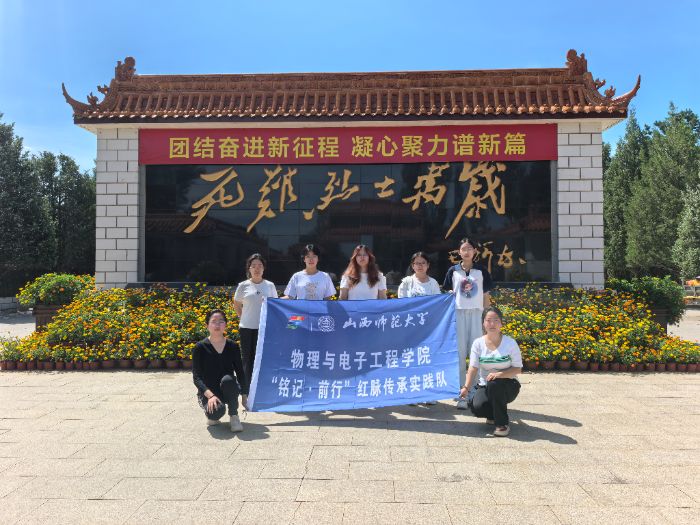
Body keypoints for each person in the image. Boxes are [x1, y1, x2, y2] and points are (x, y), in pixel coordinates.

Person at [443, 238, 493, 410]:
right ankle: (460, 392)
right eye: (463, 249)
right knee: (459, 353)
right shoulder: (453, 271)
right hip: (458, 314)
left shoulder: (481, 270)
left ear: (475, 252)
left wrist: (487, 318)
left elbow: (486, 295)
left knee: (475, 352)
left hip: (477, 314)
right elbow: (448, 293)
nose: (466, 252)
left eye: (470, 248)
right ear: (459, 252)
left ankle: (474, 391)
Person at [459, 307, 522, 437]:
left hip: (509, 384)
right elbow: (473, 367)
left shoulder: (510, 343)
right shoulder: (478, 343)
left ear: (501, 323)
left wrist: (500, 374)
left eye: (496, 320)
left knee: (495, 383)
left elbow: (517, 369)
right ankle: (493, 414)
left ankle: (502, 425)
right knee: (476, 407)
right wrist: (466, 387)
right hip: (485, 384)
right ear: (483, 323)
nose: (492, 324)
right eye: (488, 320)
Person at [192, 309, 248, 432]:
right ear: (207, 325)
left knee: (228, 380)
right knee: (215, 414)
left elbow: (240, 372)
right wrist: (210, 396)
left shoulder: (233, 346)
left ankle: (234, 416)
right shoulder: (200, 347)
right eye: (214, 321)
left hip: (228, 387)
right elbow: (196, 378)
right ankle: (212, 414)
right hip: (209, 391)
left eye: (221, 321)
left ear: (225, 325)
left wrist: (244, 395)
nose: (217, 325)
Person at [398, 251, 441, 406]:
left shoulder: (433, 283)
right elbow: (401, 305)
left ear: (428, 265)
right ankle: (411, 394)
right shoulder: (406, 282)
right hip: (410, 328)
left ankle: (428, 393)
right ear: (412, 265)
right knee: (411, 361)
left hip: (428, 329)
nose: (420, 266)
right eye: (417, 263)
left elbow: (438, 304)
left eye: (423, 263)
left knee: (427, 360)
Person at [233, 253, 278, 390]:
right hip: (246, 328)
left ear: (264, 268)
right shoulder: (243, 285)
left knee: (264, 358)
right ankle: (246, 389)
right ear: (249, 268)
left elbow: (275, 304)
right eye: (254, 266)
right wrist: (243, 317)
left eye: (260, 266)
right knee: (247, 359)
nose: (257, 268)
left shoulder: (269, 285)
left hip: (264, 328)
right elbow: (236, 304)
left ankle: (263, 388)